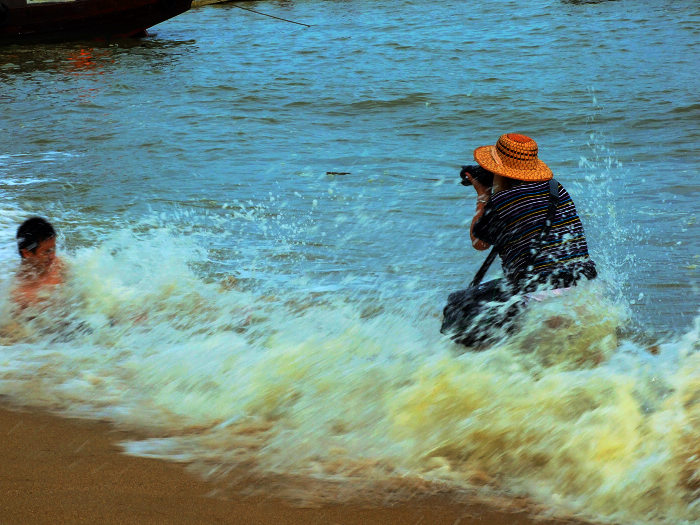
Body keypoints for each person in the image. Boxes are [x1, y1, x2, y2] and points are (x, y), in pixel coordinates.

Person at [441, 133, 597, 348]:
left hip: (535, 294)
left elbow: (479, 243)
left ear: (499, 171)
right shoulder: (557, 190)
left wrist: (483, 196)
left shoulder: (501, 201)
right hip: (582, 286)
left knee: (456, 307)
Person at [12, 217, 65, 308]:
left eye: (53, 249)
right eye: (46, 252)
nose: (53, 256)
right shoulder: (21, 295)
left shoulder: (59, 264)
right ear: (27, 253)